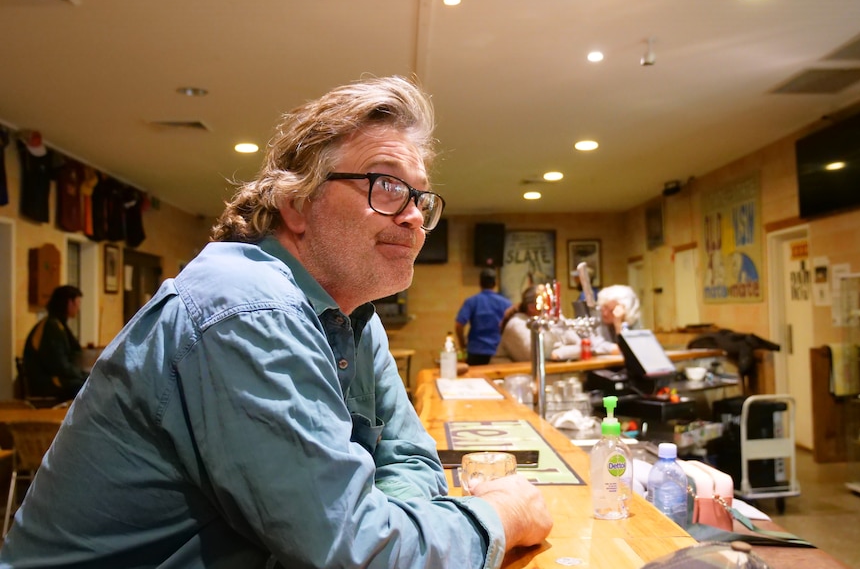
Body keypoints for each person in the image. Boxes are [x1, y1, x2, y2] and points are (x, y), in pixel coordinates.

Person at [0, 76, 551, 568]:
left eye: (420, 198)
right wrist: (497, 515)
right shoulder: (248, 309)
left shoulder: (355, 312)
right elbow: (353, 551)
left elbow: (407, 459)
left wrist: (393, 525)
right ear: (296, 203)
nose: (412, 215)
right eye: (385, 187)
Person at [22, 285, 88, 401]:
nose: (78, 308)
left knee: (88, 382)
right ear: (69, 302)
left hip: (52, 379)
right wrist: (85, 375)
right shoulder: (51, 327)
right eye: (78, 302)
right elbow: (60, 366)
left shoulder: (57, 324)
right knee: (89, 386)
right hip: (46, 383)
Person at [498, 285, 582, 362]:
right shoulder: (516, 324)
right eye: (548, 304)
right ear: (531, 307)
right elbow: (535, 355)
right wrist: (564, 347)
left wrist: (559, 353)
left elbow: (581, 345)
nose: (553, 309)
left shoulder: (554, 319)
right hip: (509, 375)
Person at [455, 268, 513, 365]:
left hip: (475, 351)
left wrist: (463, 344)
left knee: (475, 379)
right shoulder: (506, 303)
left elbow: (459, 325)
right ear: (495, 283)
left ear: (480, 283)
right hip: (498, 352)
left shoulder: (471, 302)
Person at [591, 284, 641, 355]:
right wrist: (616, 349)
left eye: (611, 310)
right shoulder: (596, 319)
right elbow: (597, 346)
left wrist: (618, 324)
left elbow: (633, 348)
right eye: (604, 307)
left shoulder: (630, 319)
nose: (605, 313)